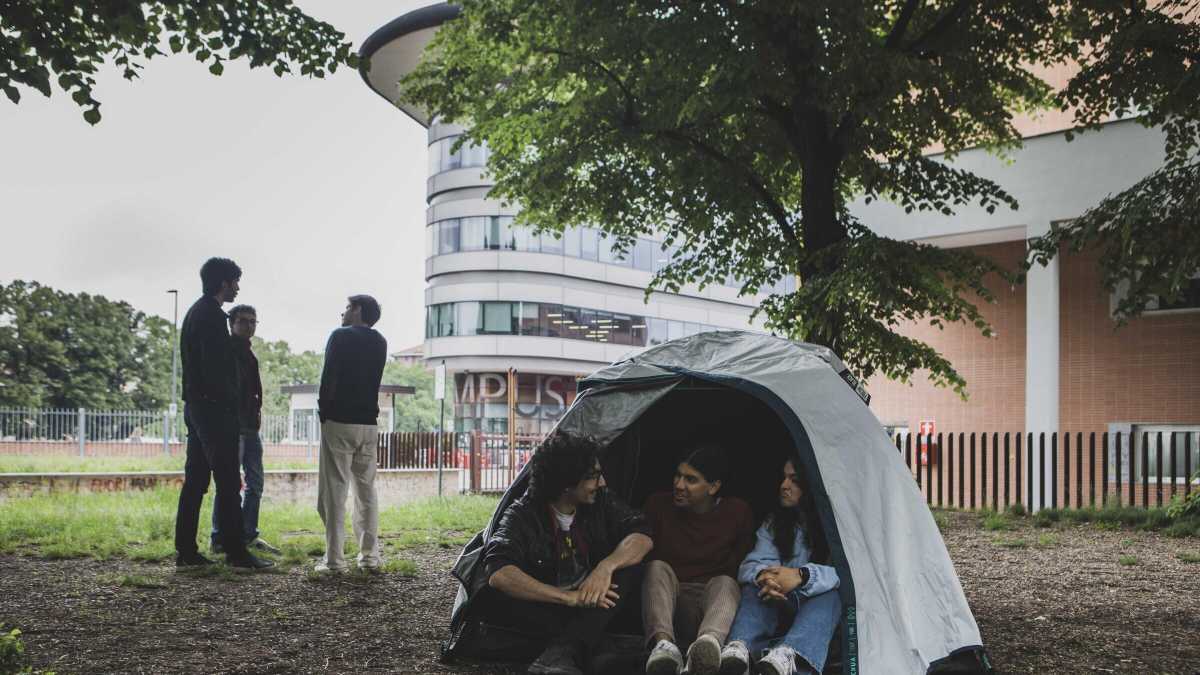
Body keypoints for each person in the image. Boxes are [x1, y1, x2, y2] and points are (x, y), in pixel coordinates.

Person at [477, 433, 653, 675]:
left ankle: (563, 653)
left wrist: (605, 568)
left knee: (632, 569)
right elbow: (499, 573)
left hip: (595, 603)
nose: (601, 483)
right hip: (551, 606)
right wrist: (567, 597)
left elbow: (641, 535)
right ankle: (586, 651)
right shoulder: (522, 515)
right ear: (566, 484)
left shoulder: (601, 501)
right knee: (505, 598)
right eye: (593, 477)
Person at [174, 257, 273, 570]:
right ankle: (236, 553)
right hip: (215, 412)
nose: (238, 288)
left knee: (195, 482)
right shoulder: (212, 317)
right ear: (223, 283)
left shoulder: (194, 313)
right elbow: (217, 370)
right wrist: (230, 408)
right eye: (235, 282)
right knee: (229, 483)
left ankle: (187, 552)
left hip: (197, 408)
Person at [718, 457, 841, 675]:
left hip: (815, 612)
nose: (784, 486)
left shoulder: (838, 525)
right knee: (755, 586)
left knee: (832, 595)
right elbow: (750, 564)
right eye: (783, 478)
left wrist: (802, 575)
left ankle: (790, 656)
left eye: (794, 480)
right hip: (779, 602)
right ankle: (739, 651)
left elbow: (851, 576)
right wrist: (767, 576)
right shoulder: (776, 522)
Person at [642, 445, 755, 675]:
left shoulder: (737, 512)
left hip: (713, 608)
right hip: (669, 604)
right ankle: (663, 648)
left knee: (726, 582)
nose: (679, 485)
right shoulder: (658, 505)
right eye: (678, 475)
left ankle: (705, 650)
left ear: (714, 487)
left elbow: (742, 564)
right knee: (656, 568)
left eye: (691, 480)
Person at [315, 295, 388, 573]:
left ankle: (334, 560)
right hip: (368, 423)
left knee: (334, 491)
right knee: (366, 491)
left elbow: (329, 376)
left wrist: (325, 413)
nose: (343, 312)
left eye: (347, 307)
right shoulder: (380, 341)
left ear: (357, 310)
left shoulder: (340, 336)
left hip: (340, 421)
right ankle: (369, 557)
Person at [210, 304, 280, 556]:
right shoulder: (228, 351)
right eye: (243, 321)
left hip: (251, 427)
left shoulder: (249, 354)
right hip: (234, 427)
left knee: (255, 483)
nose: (248, 325)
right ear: (232, 323)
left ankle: (248, 534)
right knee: (229, 484)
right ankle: (219, 539)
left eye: (253, 321)